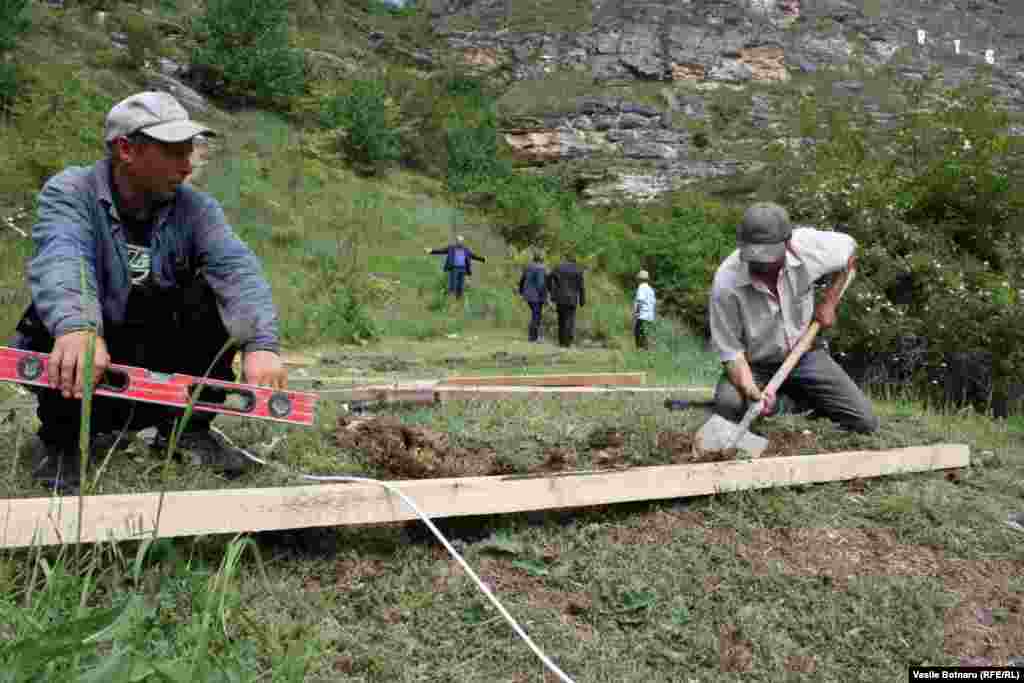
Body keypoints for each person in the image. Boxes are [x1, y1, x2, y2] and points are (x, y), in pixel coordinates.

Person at [10, 91, 287, 493]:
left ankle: (184, 431)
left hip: (156, 344)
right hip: (94, 345)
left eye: (190, 150)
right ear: (126, 149)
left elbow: (236, 270)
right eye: (174, 151)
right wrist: (77, 326)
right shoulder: (71, 191)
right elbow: (62, 256)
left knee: (209, 296)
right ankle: (64, 440)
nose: (188, 164)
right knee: (52, 315)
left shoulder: (198, 210)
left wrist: (261, 343)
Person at [708, 202, 878, 433]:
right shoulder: (726, 283)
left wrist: (829, 302)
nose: (761, 265)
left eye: (768, 257)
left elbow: (850, 254)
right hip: (756, 364)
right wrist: (752, 392)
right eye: (754, 257)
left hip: (805, 353)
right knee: (729, 404)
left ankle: (802, 398)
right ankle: (785, 403)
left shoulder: (810, 248)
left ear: (787, 244)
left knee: (864, 421)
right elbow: (731, 354)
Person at [426, 235, 485, 299]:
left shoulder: (466, 250)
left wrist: (482, 259)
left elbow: (473, 256)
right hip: (454, 268)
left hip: (463, 269)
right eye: (458, 240)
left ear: (462, 242)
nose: (460, 242)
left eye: (461, 240)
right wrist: (431, 251)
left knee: (461, 285)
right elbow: (441, 251)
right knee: (453, 284)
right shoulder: (451, 248)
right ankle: (450, 298)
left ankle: (458, 298)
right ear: (456, 241)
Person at [547, 255, 585, 348]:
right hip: (572, 298)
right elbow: (581, 286)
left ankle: (562, 341)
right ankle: (568, 341)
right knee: (570, 319)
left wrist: (551, 290)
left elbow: (548, 278)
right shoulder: (578, 270)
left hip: (560, 297)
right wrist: (582, 299)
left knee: (561, 319)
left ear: (566, 259)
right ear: (574, 261)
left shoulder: (559, 267)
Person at [518, 252, 548, 342]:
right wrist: (544, 296)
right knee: (536, 315)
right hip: (536, 296)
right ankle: (533, 337)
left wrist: (521, 292)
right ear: (541, 259)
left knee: (535, 314)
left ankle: (533, 336)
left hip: (527, 295)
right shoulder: (541, 268)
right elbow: (540, 284)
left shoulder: (528, 267)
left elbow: (522, 280)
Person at [633, 270, 656, 350]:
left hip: (642, 316)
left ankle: (640, 351)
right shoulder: (651, 290)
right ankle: (647, 352)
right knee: (647, 336)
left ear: (640, 279)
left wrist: (636, 313)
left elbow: (640, 301)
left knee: (638, 334)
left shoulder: (641, 287)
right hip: (650, 317)